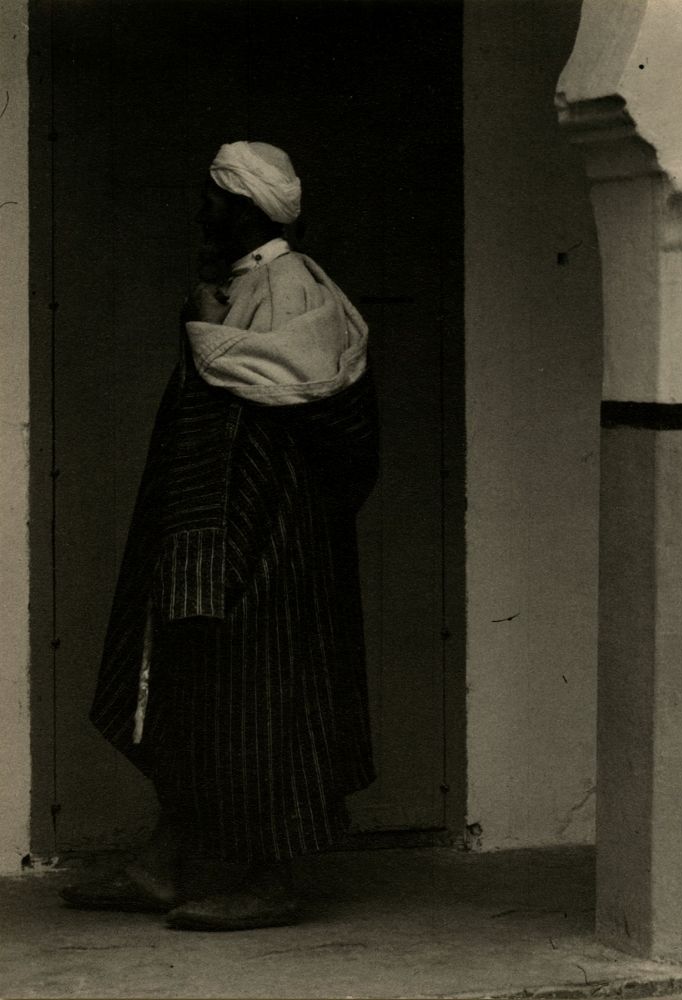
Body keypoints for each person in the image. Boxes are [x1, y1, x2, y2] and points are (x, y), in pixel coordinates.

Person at [61, 142, 379, 931]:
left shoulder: (295, 290)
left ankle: (272, 878)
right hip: (208, 535)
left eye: (213, 200)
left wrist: (206, 337)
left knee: (261, 697)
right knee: (185, 687)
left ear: (244, 209)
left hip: (268, 541)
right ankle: (166, 861)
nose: (202, 215)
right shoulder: (238, 289)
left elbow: (320, 416)